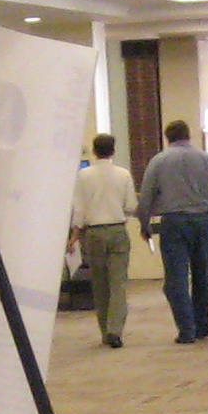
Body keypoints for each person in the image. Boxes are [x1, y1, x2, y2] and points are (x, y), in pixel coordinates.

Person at [137, 116, 208, 344]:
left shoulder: (158, 161)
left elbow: (146, 196)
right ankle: (202, 325)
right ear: (188, 135)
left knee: (176, 278)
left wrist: (145, 224)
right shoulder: (206, 159)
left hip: (173, 224)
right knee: (202, 275)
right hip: (202, 222)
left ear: (167, 138)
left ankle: (186, 330)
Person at [69, 129, 138, 347]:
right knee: (118, 283)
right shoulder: (123, 174)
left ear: (94, 151)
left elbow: (78, 209)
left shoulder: (83, 176)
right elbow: (130, 206)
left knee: (99, 284)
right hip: (117, 230)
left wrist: (74, 236)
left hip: (93, 233)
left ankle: (104, 330)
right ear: (113, 151)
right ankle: (115, 330)